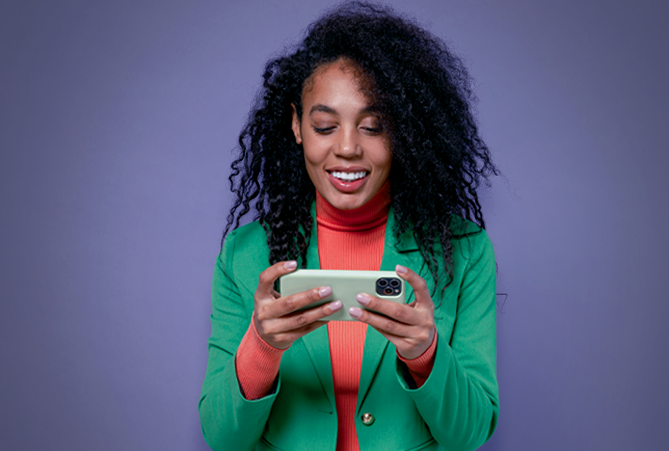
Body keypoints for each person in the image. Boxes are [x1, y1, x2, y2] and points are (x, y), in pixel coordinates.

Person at [199, 2, 499, 450]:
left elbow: (470, 434)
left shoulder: (464, 250)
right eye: (324, 125)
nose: (347, 147)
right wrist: (262, 346)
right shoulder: (244, 255)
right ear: (297, 126)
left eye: (373, 126)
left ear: (402, 130)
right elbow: (222, 438)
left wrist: (426, 355)